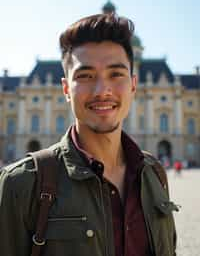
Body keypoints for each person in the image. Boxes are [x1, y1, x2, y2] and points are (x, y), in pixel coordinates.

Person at [0, 13, 178, 256]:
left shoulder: (154, 175)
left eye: (116, 74)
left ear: (133, 85)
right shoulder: (20, 185)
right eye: (85, 76)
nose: (102, 90)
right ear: (65, 89)